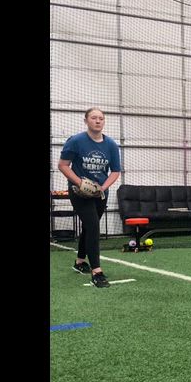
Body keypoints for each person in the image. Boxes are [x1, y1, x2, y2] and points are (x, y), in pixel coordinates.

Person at [58, 108, 121, 288]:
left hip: (100, 193)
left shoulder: (111, 145)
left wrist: (102, 188)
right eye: (94, 118)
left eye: (101, 118)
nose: (98, 121)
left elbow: (115, 171)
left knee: (89, 226)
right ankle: (97, 272)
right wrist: (80, 183)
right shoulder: (76, 141)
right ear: (86, 121)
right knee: (93, 226)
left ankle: (79, 262)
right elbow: (63, 165)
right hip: (79, 192)